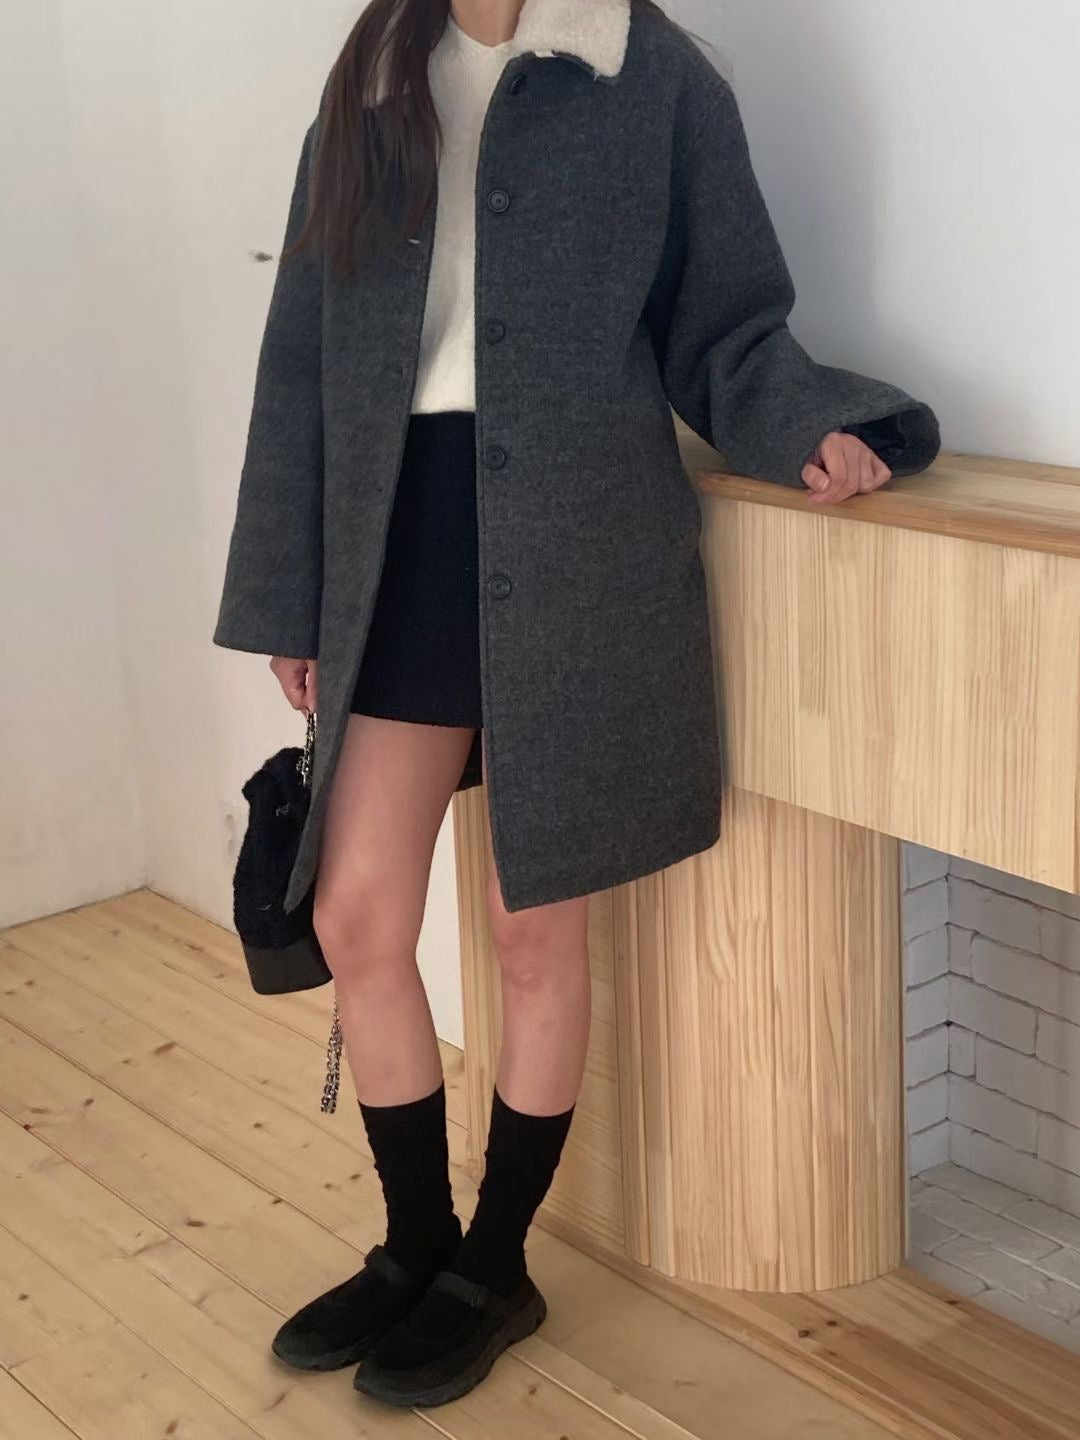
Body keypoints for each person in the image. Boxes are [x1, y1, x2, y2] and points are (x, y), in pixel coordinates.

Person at [212, 0, 940, 1410]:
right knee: (356, 912)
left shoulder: (653, 77)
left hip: (581, 546)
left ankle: (494, 1263)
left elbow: (727, 320)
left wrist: (811, 425)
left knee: (531, 921)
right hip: (397, 538)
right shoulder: (375, 77)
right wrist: (288, 589)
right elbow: (300, 349)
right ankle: (414, 1243)